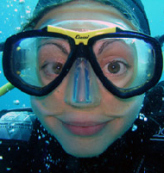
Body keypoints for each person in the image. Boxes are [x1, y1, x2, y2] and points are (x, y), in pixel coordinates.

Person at [0, 0, 164, 172]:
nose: (81, 100)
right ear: (30, 70)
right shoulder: (8, 137)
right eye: (55, 67)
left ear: (145, 70)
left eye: (114, 67)